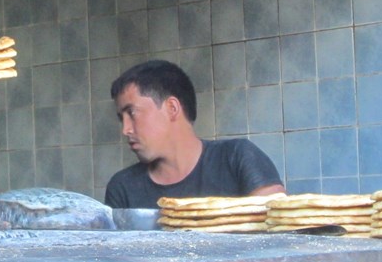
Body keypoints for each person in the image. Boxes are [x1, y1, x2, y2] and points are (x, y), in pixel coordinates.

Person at [104, 59, 284, 209]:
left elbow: (277, 233)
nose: (125, 129)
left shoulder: (238, 157)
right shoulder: (123, 187)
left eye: (132, 113)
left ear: (172, 108)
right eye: (122, 118)